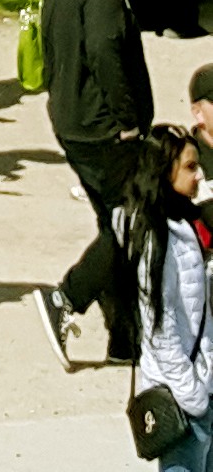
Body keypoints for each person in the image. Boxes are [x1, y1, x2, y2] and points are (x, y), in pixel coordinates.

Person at [38, 0, 151, 367]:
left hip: (71, 119)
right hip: (104, 127)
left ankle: (124, 338)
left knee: (115, 225)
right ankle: (65, 298)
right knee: (131, 223)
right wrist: (127, 118)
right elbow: (106, 51)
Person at [133, 124, 213, 472]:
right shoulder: (157, 238)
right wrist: (193, 397)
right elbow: (159, 330)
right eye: (190, 167)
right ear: (166, 171)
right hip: (183, 399)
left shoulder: (182, 224)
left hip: (203, 388)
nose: (200, 176)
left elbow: (192, 302)